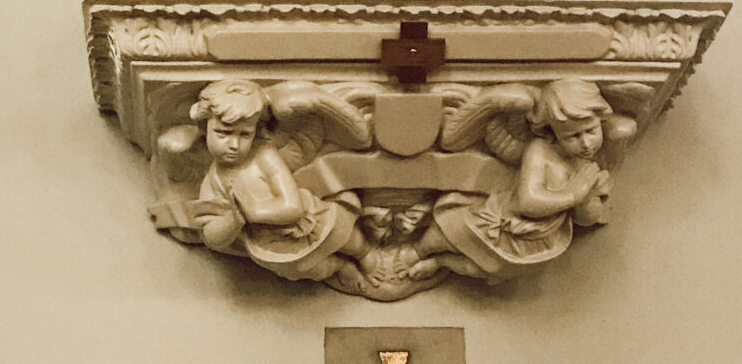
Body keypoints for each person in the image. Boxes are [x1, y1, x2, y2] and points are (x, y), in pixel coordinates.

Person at [402, 80, 615, 282]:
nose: (586, 143)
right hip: (500, 220)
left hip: (537, 241)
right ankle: (416, 251)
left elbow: (584, 220)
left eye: (591, 131)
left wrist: (588, 199)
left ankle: (441, 262)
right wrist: (574, 194)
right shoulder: (540, 151)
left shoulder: (589, 169)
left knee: (484, 268)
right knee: (447, 233)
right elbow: (528, 202)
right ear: (552, 133)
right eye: (573, 136)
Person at [190, 80, 375, 288]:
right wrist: (235, 219)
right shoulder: (212, 181)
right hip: (272, 246)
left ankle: (367, 254)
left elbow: (293, 207)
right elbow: (211, 237)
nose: (234, 145)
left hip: (309, 219)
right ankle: (341, 268)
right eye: (223, 133)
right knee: (306, 269)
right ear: (204, 127)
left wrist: (254, 211)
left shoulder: (263, 156)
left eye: (245, 134)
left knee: (344, 236)